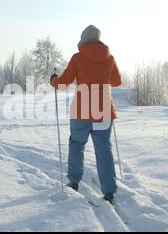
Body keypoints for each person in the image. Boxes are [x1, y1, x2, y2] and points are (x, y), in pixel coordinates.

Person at [50, 25, 122, 202]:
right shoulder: (109, 58)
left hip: (82, 110)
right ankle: (109, 192)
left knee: (76, 144)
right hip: (104, 110)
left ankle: (73, 182)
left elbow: (63, 83)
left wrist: (53, 79)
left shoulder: (78, 57)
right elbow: (117, 81)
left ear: (83, 39)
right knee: (104, 148)